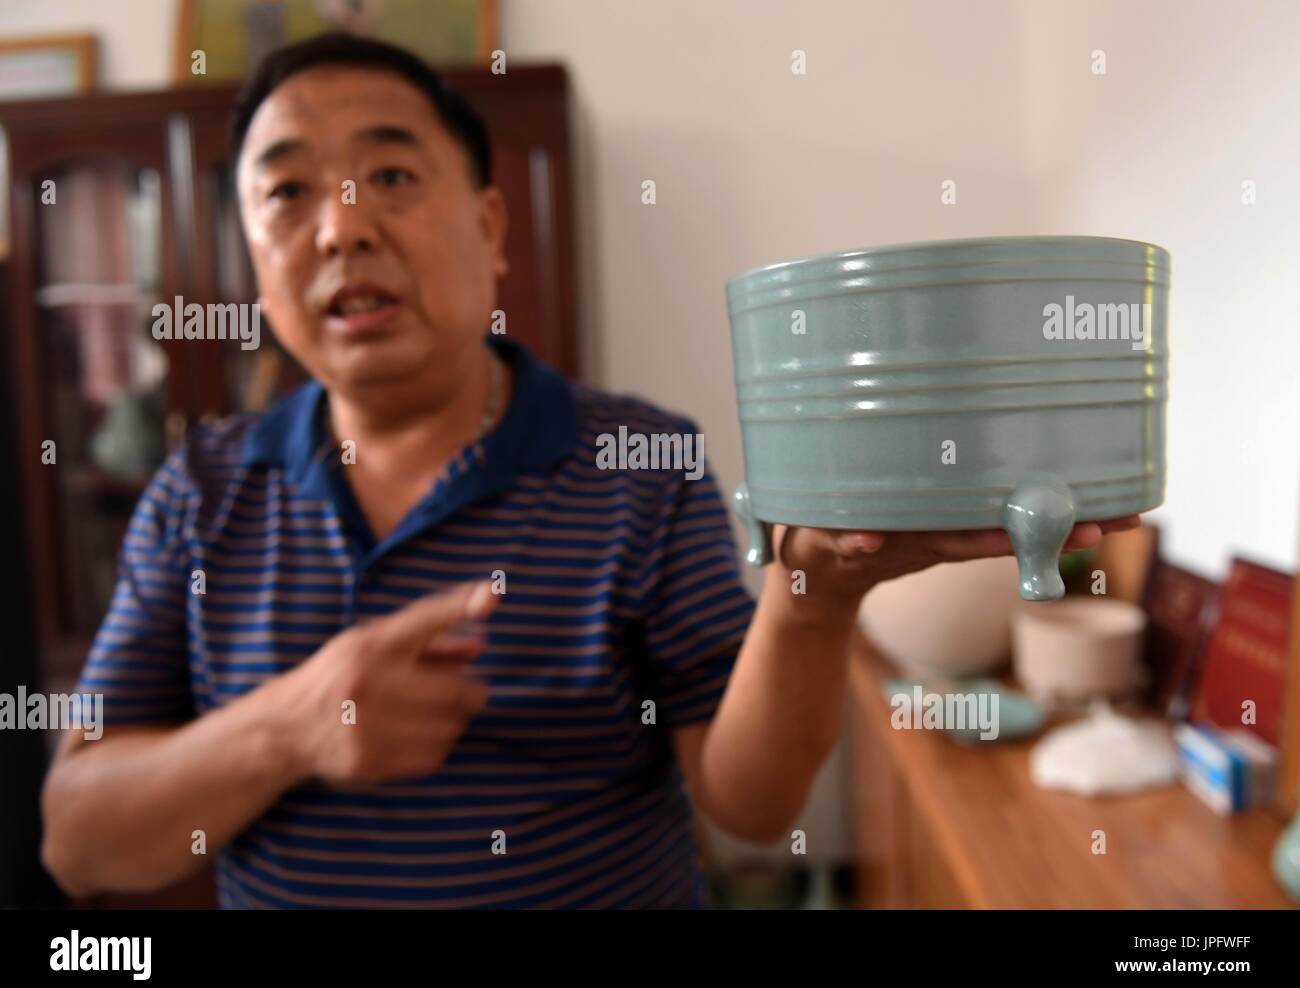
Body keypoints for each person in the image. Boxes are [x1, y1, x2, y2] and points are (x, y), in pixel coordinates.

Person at [40, 34, 1135, 908]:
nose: (342, 226)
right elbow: (77, 840)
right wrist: (289, 724)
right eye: (287, 194)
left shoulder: (636, 461)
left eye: (389, 173)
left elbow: (750, 804)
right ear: (253, 262)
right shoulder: (198, 490)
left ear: (489, 226)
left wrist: (815, 594)